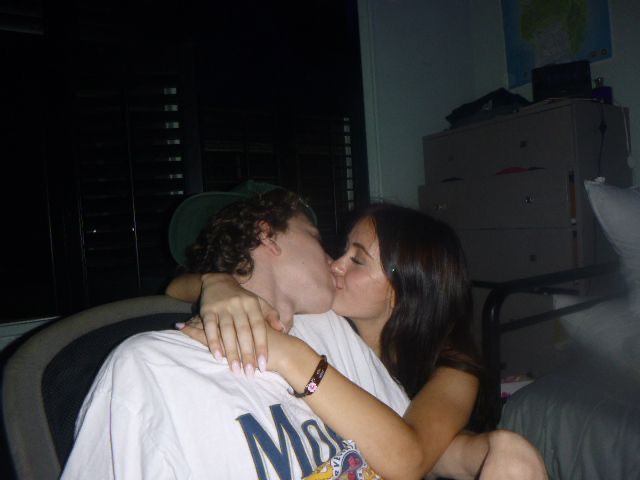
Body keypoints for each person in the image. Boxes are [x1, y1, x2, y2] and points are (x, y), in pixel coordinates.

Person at [168, 187, 547, 479]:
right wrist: (217, 284)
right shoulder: (324, 324)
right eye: (341, 250)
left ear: (404, 292)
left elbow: (417, 455)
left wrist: (287, 353)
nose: (334, 264)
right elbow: (170, 292)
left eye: (357, 260)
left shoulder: (454, 370)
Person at [62, 188, 410, 479]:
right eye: (317, 239)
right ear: (267, 235)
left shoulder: (329, 328)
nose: (332, 260)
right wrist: (215, 281)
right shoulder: (152, 366)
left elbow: (411, 449)